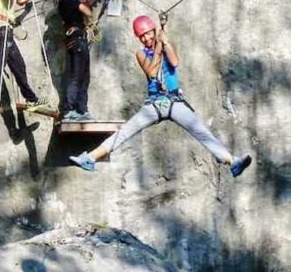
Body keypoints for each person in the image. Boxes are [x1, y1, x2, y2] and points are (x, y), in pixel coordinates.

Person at [69, 14, 252, 177]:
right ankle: (89, 158)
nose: (147, 38)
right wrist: (157, 47)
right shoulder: (141, 53)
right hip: (154, 104)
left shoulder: (165, 45)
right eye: (143, 36)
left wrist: (164, 42)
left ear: (154, 31)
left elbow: (174, 61)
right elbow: (151, 71)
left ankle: (232, 162)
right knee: (124, 132)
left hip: (174, 101)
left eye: (149, 33)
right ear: (139, 38)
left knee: (201, 131)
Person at [58, 0, 95, 121]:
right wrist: (86, 5)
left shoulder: (61, 2)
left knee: (76, 74)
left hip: (70, 40)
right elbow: (88, 12)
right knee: (81, 76)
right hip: (79, 39)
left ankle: (79, 110)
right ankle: (73, 110)